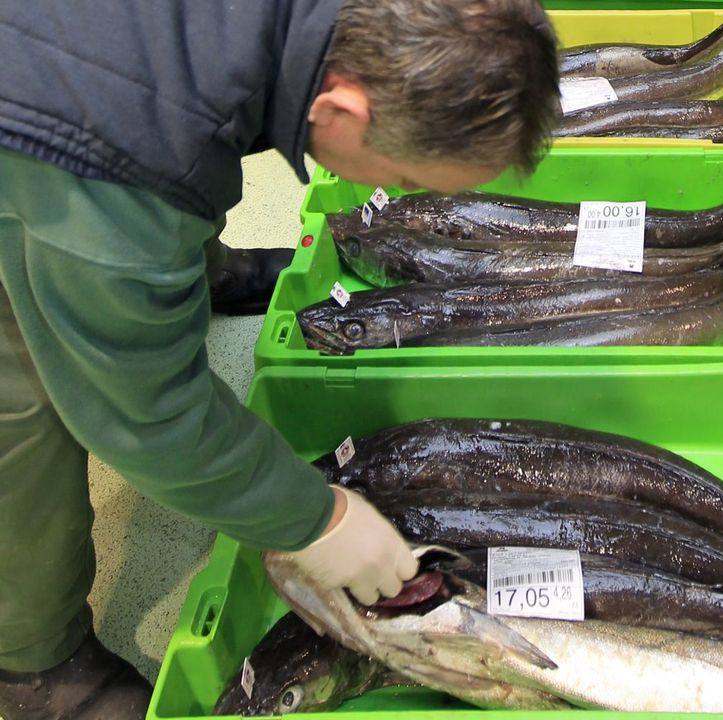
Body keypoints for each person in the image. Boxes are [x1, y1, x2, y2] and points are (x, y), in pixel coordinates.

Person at [0, 1, 560, 717]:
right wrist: (313, 520)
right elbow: (146, 417)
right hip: (42, 119)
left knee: (144, 225)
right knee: (26, 387)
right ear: (346, 111)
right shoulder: (122, 152)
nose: (410, 194)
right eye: (410, 179)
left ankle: (173, 270)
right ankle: (31, 660)